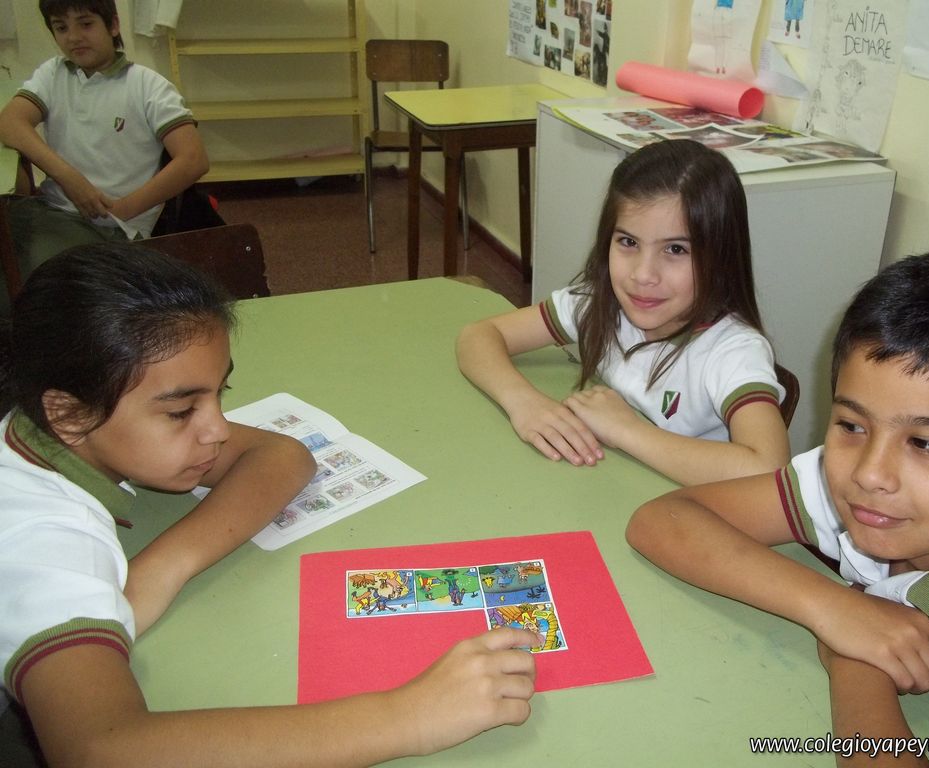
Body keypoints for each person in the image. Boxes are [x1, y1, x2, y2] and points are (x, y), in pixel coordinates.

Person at [0, 244, 541, 768]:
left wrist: (164, 567)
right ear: (68, 415)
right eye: (181, 412)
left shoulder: (52, 431)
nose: (216, 429)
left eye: (219, 394)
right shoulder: (43, 536)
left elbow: (281, 455)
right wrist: (409, 717)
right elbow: (98, 751)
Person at [626, 245, 929, 766]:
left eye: (926, 443)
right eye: (852, 425)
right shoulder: (859, 482)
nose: (869, 473)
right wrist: (836, 609)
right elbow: (662, 521)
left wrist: (854, 663)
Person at [457, 140, 790, 486]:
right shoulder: (599, 303)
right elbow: (477, 336)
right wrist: (525, 404)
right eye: (628, 242)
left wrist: (625, 430)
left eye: (676, 249)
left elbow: (767, 470)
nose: (643, 275)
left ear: (720, 257)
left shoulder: (732, 351)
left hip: (683, 508)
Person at [0, 0, 209, 307]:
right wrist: (69, 178)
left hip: (109, 228)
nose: (73, 37)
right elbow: (10, 122)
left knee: (32, 286)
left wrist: (120, 211)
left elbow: (193, 160)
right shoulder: (53, 73)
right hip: (50, 210)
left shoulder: (147, 85)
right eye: (61, 27)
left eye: (85, 24)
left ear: (113, 25)